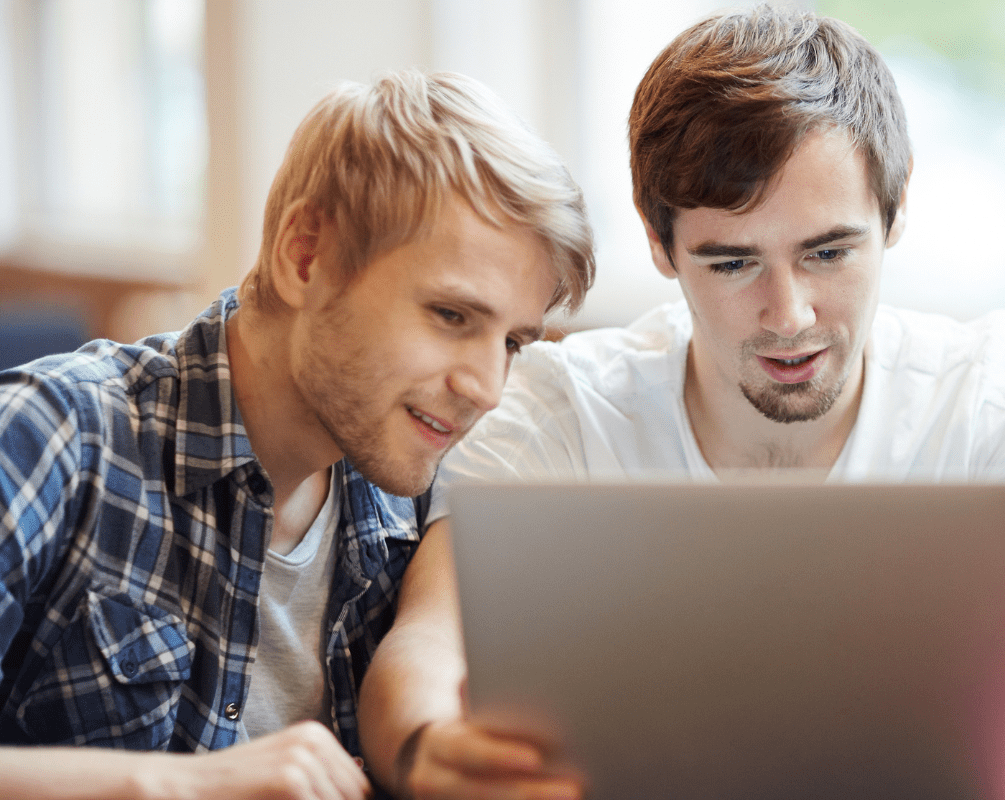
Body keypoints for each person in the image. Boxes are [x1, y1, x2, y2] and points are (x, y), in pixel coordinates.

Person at [357, 6, 1005, 799]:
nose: (790, 314)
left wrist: (797, 701)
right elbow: (423, 646)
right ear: (661, 246)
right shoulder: (556, 410)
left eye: (828, 252)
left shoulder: (991, 392)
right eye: (733, 263)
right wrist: (428, 750)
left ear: (894, 213)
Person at [0, 69, 594, 799]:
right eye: (451, 317)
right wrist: (179, 787)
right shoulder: (55, 437)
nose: (486, 389)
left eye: (512, 343)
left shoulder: (423, 493)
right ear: (304, 256)